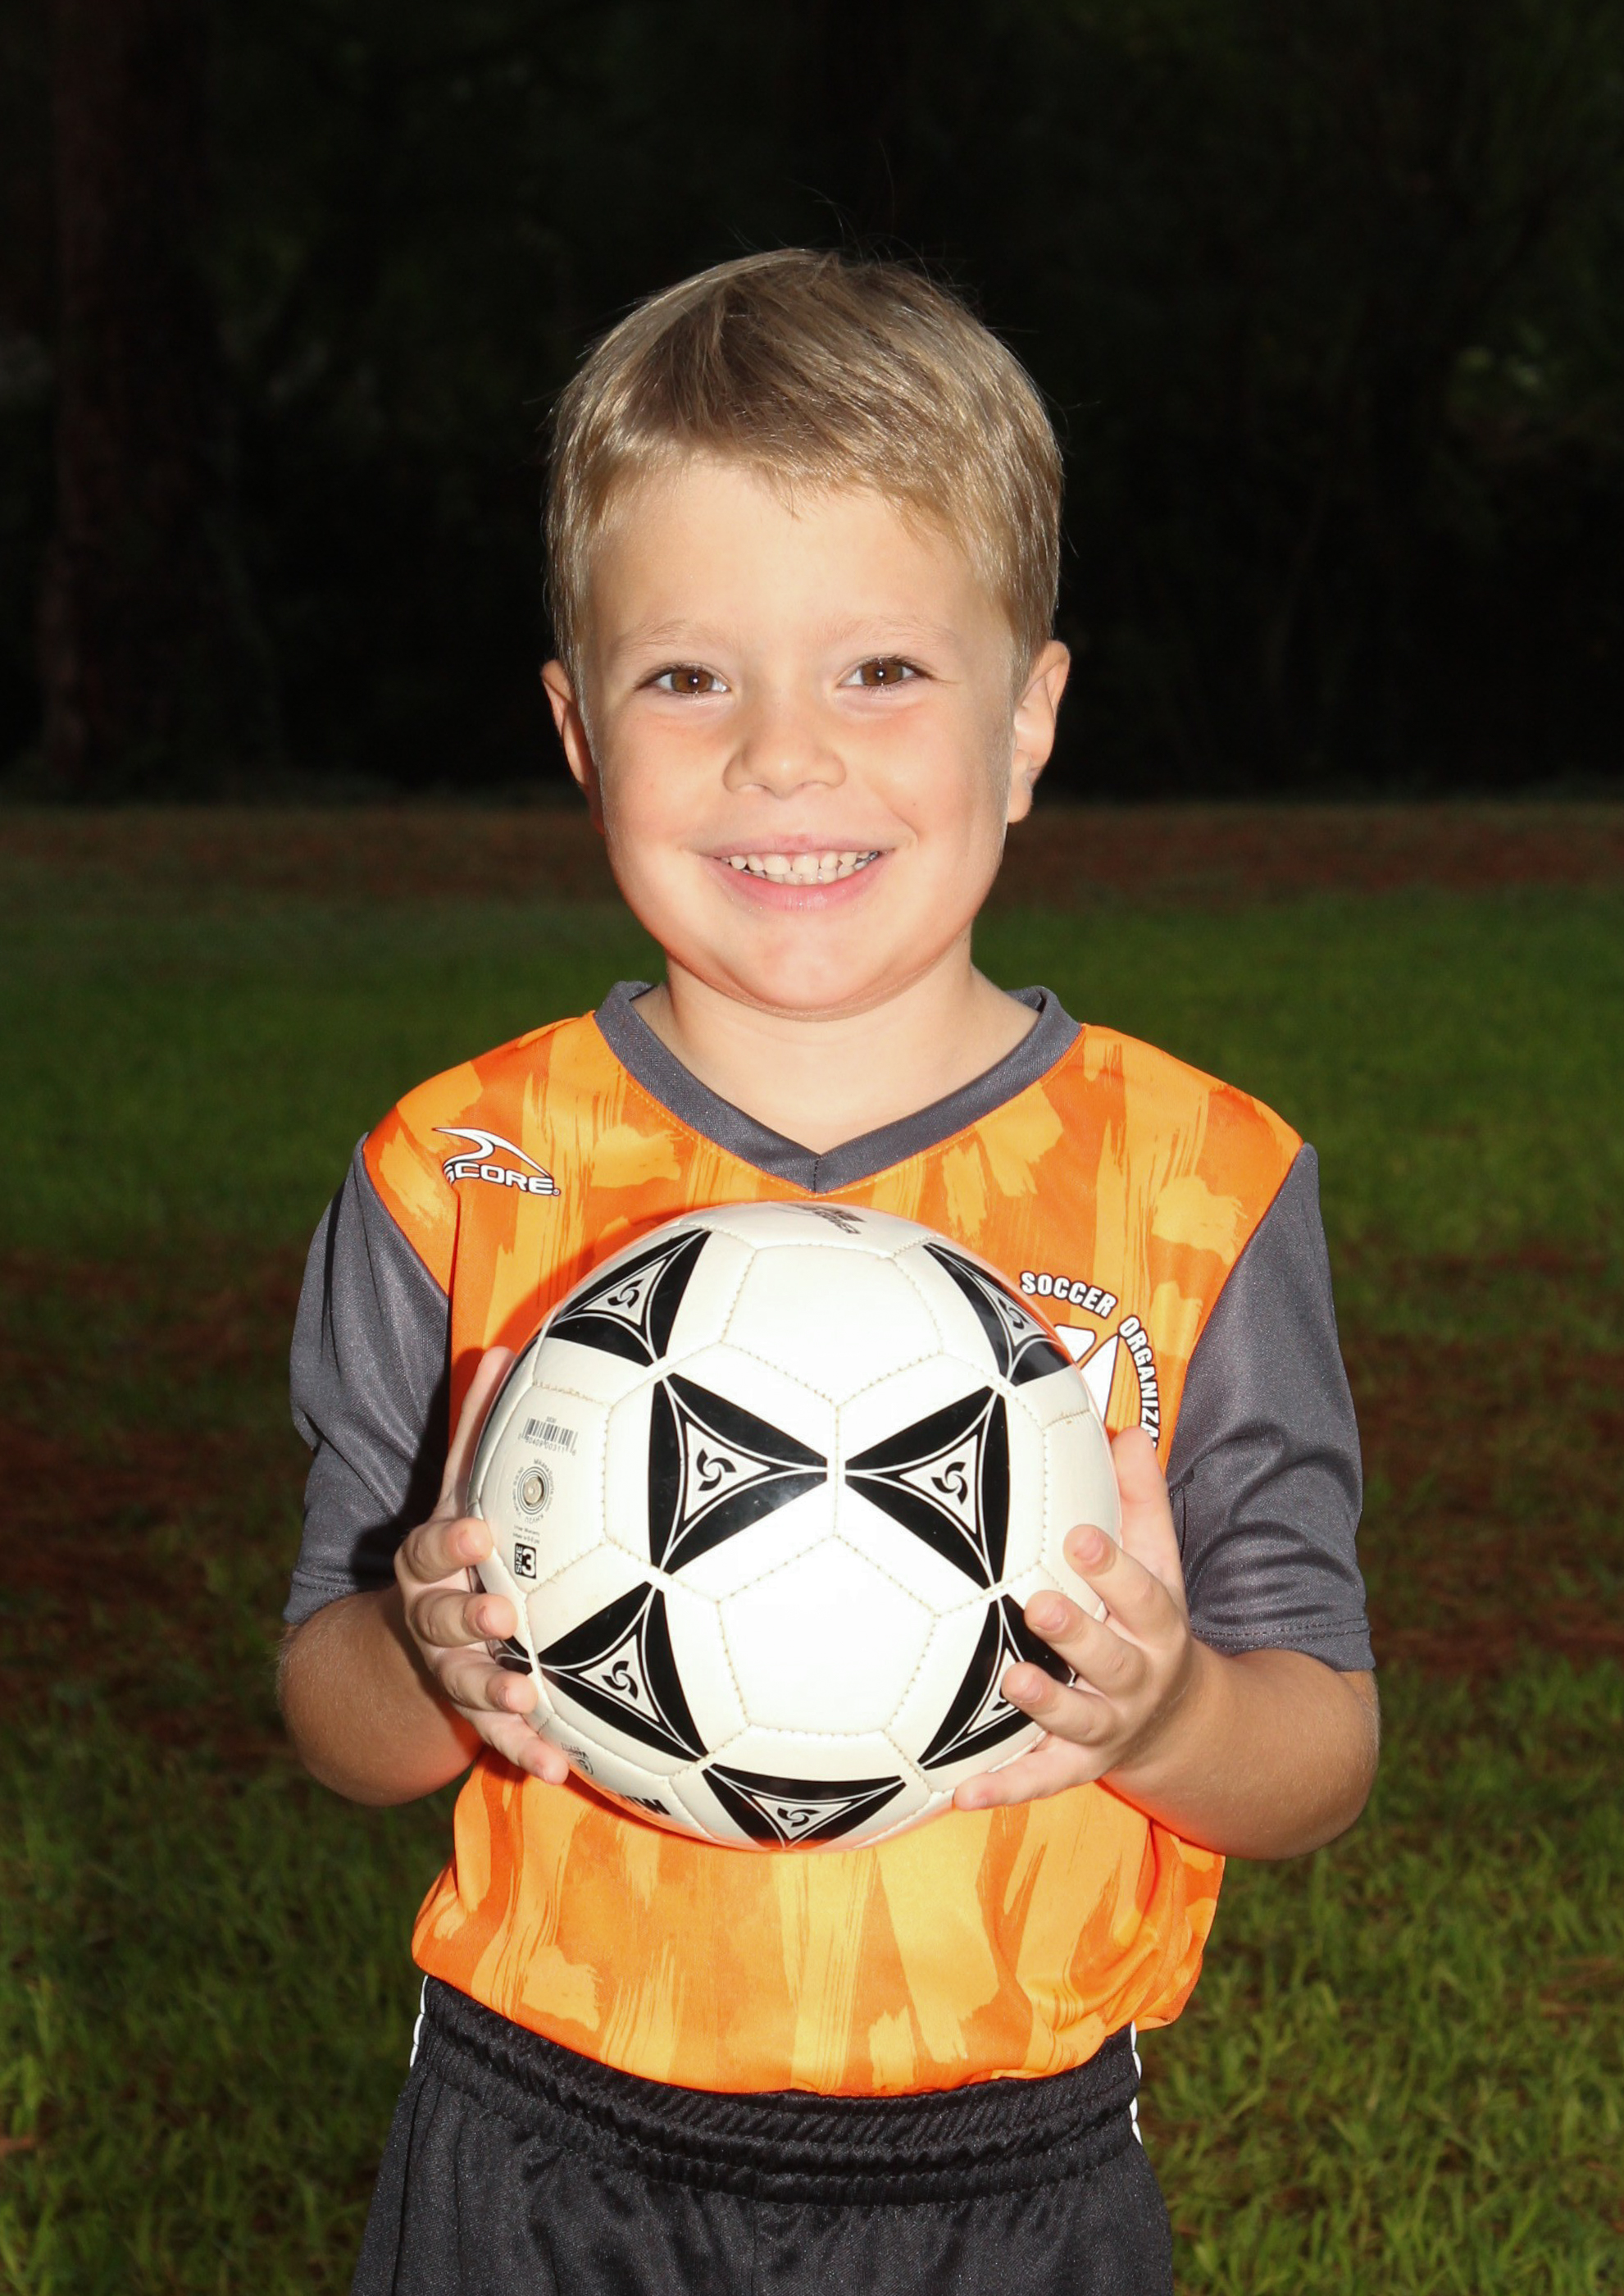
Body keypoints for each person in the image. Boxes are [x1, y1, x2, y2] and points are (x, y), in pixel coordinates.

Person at [279, 249, 1377, 2294]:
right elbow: (330, 1703)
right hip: (542, 2142)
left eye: (878, 669)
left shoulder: (1199, 1183)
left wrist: (1168, 1709)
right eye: (688, 678)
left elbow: (1317, 1739)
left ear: (1029, 717)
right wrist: (428, 1661)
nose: (783, 756)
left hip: (1015, 2171)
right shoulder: (458, 1175)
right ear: (577, 726)